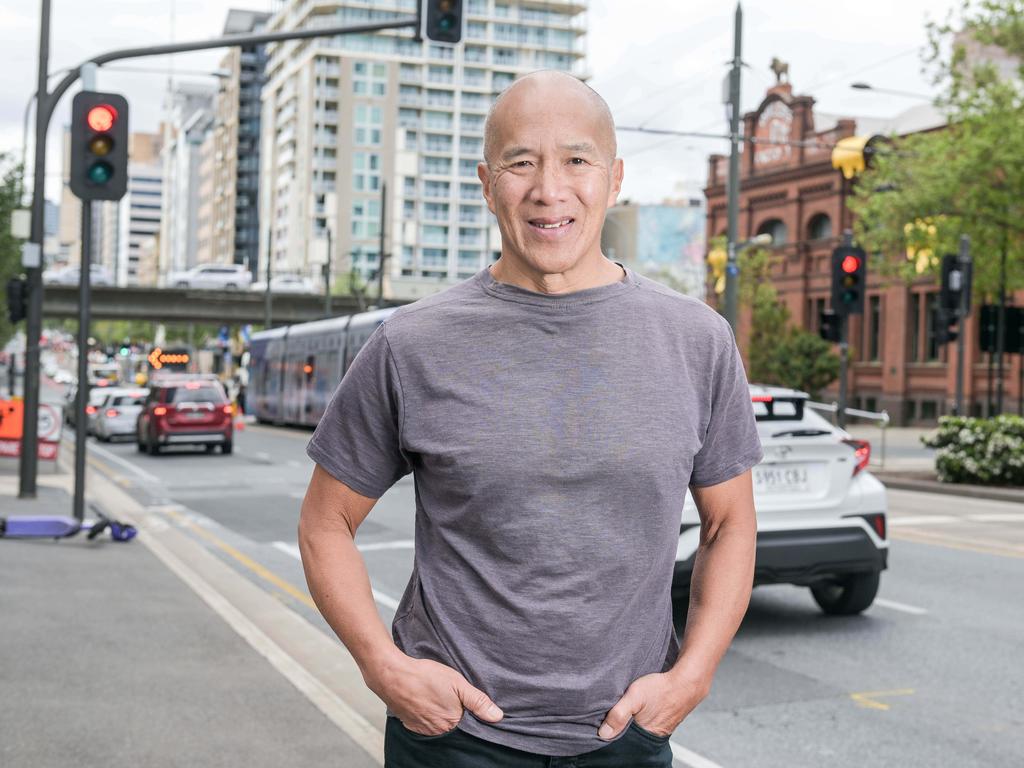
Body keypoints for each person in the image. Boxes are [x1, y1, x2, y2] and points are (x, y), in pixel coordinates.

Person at [299, 70, 762, 767]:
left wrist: (691, 676)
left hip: (626, 740)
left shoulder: (697, 341)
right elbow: (324, 522)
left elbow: (730, 523)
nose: (550, 189)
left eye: (577, 160)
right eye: (521, 163)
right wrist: (383, 668)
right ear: (488, 184)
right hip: (453, 741)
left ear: (614, 178)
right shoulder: (412, 344)